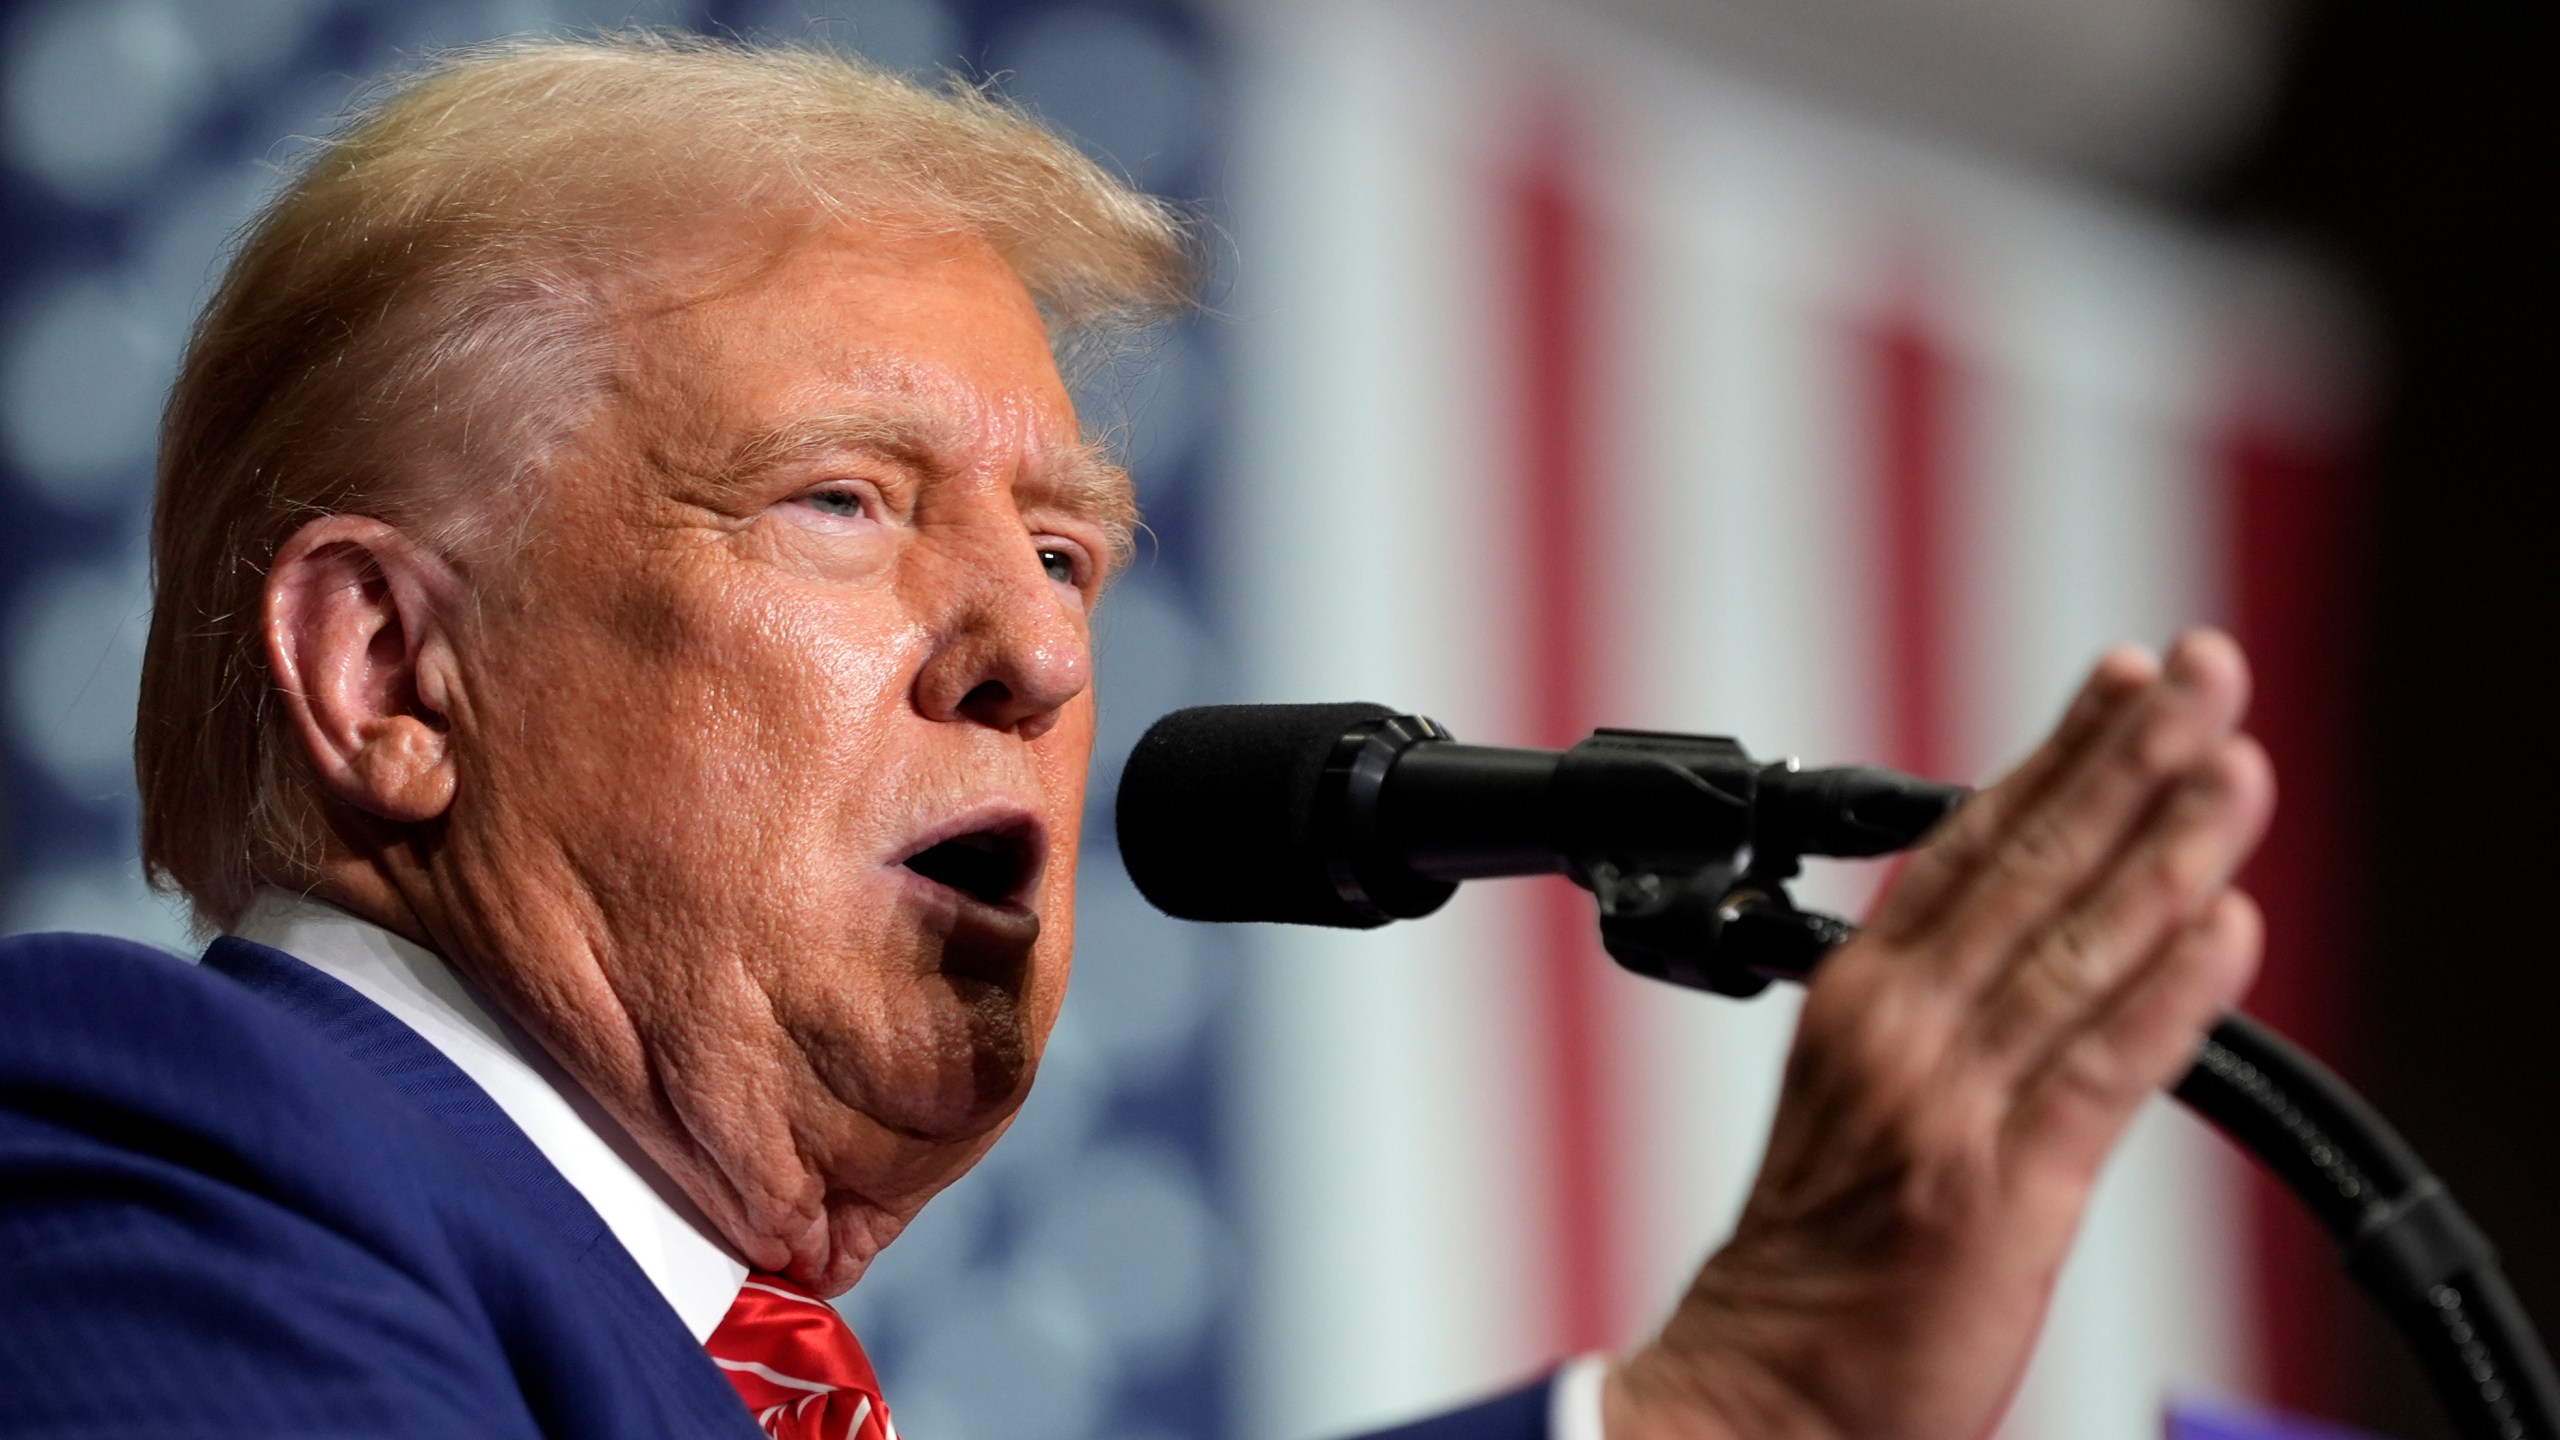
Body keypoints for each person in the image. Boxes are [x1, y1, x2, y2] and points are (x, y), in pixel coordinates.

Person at [0, 35, 2272, 1440]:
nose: (1036, 650)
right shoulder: (139, 1157)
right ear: (390, 675)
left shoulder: (710, 1354)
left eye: (1070, 554)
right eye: (841, 503)